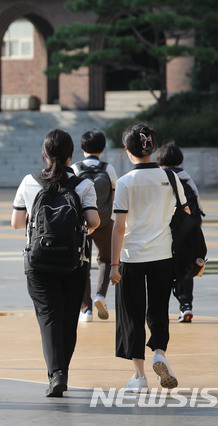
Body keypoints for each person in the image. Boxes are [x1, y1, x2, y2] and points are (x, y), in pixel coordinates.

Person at [11, 129, 100, 397]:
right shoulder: (84, 185)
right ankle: (62, 371)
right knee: (68, 318)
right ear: (71, 156)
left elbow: (16, 223)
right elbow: (94, 221)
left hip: (38, 262)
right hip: (75, 261)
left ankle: (56, 374)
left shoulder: (29, 181)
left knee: (49, 317)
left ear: (44, 155)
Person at [110, 123, 189, 393]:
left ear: (127, 150)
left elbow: (118, 227)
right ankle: (159, 353)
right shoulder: (171, 177)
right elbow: (185, 214)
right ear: (152, 148)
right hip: (163, 254)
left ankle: (139, 376)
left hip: (131, 256)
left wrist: (113, 264)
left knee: (131, 315)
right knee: (158, 309)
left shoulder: (125, 182)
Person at [71, 129, 118, 322]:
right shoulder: (108, 169)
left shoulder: (75, 168)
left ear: (82, 148)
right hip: (104, 222)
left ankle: (86, 310)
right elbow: (114, 195)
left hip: (81, 224)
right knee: (106, 259)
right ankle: (101, 295)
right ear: (102, 148)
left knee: (82, 263)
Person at [156, 141, 204, 323]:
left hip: (165, 232)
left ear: (160, 160)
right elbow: (197, 208)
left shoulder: (160, 177)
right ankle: (186, 307)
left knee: (162, 270)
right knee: (185, 268)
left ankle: (159, 309)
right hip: (187, 233)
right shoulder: (186, 179)